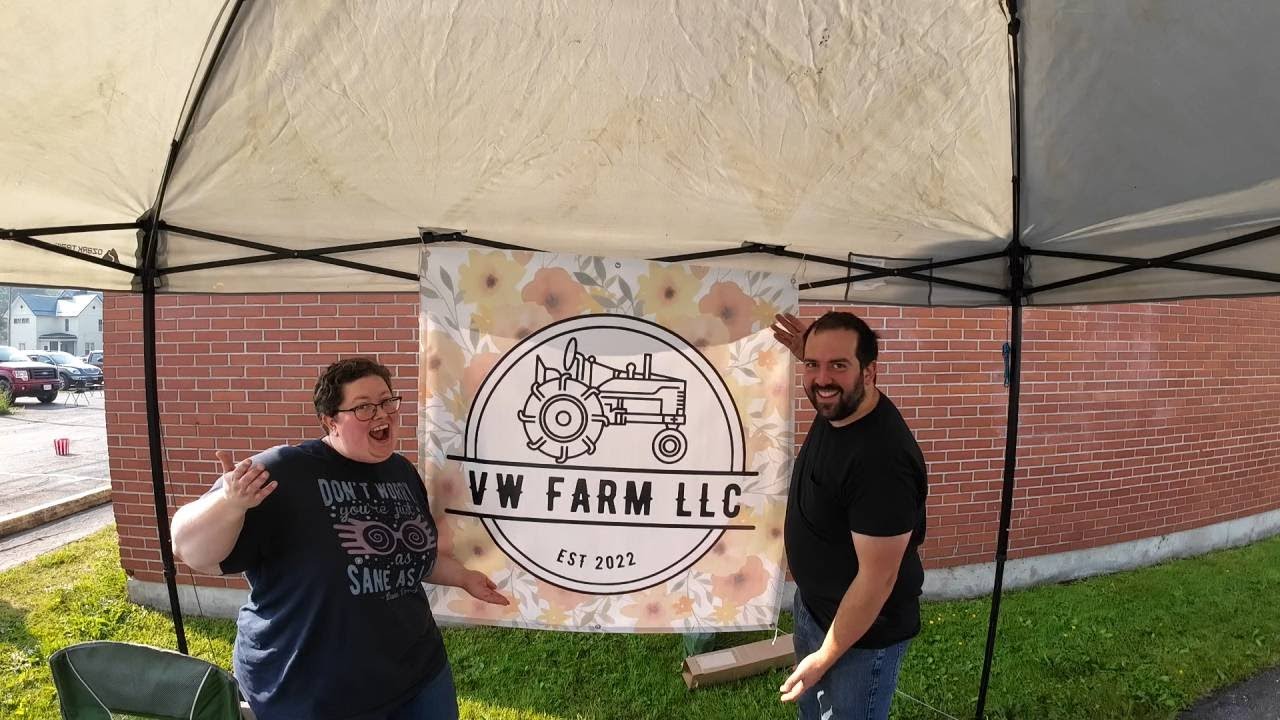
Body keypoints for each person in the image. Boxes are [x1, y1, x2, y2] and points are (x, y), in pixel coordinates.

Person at [172, 357, 508, 720]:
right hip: (313, 690)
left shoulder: (400, 472)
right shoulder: (283, 471)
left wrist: (463, 578)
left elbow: (410, 556)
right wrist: (229, 503)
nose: (382, 414)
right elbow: (188, 547)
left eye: (386, 401)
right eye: (363, 406)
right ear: (330, 421)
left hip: (417, 675)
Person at [771, 311, 928, 720]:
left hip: (860, 638)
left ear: (870, 371)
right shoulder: (843, 408)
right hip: (814, 609)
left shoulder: (883, 462)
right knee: (813, 712)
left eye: (838, 365)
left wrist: (826, 655)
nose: (822, 380)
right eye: (812, 364)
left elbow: (879, 579)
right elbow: (829, 379)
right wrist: (819, 353)